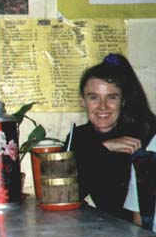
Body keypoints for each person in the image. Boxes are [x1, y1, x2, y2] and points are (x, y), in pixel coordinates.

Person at [66, 53, 156, 222]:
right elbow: (68, 196)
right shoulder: (78, 137)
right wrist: (104, 148)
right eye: (94, 97)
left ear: (123, 101)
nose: (102, 107)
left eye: (112, 98)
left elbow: (144, 207)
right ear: (82, 100)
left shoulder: (144, 133)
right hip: (109, 231)